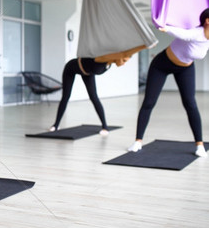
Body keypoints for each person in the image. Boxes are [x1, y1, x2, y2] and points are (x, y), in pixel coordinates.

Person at [128, 8, 209, 157]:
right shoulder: (196, 33)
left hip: (185, 68)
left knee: (190, 103)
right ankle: (138, 141)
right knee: (149, 102)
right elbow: (183, 34)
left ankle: (199, 145)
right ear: (207, 21)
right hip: (161, 65)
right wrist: (166, 28)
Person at [50, 56, 129, 135]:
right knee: (66, 96)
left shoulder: (108, 65)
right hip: (71, 68)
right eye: (123, 60)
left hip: (87, 73)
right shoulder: (100, 59)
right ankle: (56, 125)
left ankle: (105, 127)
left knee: (94, 97)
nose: (123, 63)